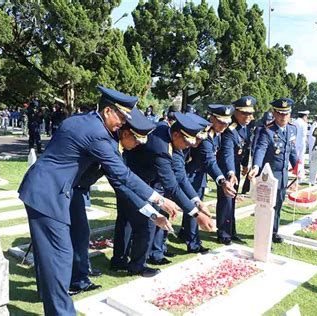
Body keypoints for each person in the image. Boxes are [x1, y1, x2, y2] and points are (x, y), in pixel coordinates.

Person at [18, 85, 179, 315]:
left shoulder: (91, 125)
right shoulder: (97, 135)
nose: (122, 123)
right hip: (48, 194)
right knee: (61, 259)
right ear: (107, 112)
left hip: (57, 191)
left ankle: (49, 296)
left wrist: (152, 213)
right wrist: (159, 200)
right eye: (122, 118)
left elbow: (121, 186)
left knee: (56, 255)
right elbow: (123, 176)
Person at [68, 107, 158, 295]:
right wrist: (152, 207)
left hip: (78, 189)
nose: (138, 145)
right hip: (68, 189)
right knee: (78, 234)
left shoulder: (116, 145)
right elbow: (121, 182)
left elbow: (120, 184)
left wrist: (149, 210)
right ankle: (77, 280)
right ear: (125, 133)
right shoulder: (107, 144)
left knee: (81, 234)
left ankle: (81, 274)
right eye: (136, 140)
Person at [126, 111, 215, 265]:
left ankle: (134, 260)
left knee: (141, 221)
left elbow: (180, 176)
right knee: (142, 221)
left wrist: (197, 203)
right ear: (176, 135)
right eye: (187, 142)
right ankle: (134, 263)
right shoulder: (162, 147)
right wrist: (196, 215)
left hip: (146, 180)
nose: (189, 145)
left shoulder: (168, 137)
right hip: (134, 179)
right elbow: (172, 186)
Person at [183, 105, 237, 251]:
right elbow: (209, 161)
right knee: (195, 209)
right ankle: (193, 244)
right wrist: (222, 181)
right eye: (220, 122)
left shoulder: (217, 135)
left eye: (226, 122)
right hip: (190, 175)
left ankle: (186, 235)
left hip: (199, 175)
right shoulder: (205, 135)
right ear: (212, 118)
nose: (224, 125)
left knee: (193, 209)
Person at [248, 98, 297, 243]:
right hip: (270, 175)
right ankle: (264, 233)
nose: (283, 117)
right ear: (274, 114)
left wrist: (297, 166)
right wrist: (256, 167)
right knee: (267, 206)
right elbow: (260, 149)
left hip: (283, 175)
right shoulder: (267, 131)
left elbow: (292, 151)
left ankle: (274, 232)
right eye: (280, 114)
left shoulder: (292, 129)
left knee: (279, 205)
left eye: (286, 114)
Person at [216, 96, 255, 245]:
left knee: (232, 200)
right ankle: (223, 233)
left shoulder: (246, 127)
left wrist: (245, 164)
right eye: (244, 113)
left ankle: (231, 231)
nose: (248, 117)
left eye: (250, 114)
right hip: (226, 169)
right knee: (226, 201)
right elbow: (227, 154)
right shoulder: (230, 130)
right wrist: (231, 173)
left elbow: (245, 147)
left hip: (236, 167)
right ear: (236, 112)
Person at [293, 110, 309, 178]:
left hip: (295, 142)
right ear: (304, 116)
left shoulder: (295, 122)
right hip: (301, 143)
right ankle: (300, 173)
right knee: (301, 159)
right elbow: (304, 134)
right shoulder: (304, 123)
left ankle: (295, 171)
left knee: (295, 158)